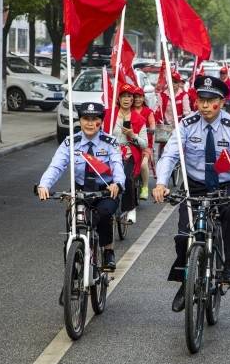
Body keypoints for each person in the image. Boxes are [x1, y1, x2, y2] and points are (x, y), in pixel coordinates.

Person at [153, 76, 230, 313]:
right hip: (195, 184)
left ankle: (228, 264)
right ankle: (185, 283)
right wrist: (160, 183)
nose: (206, 106)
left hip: (226, 182)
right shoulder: (187, 124)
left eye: (212, 101)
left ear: (222, 101)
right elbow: (170, 155)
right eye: (201, 100)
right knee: (183, 235)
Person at [37, 102, 125, 270]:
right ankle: (72, 271)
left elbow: (117, 165)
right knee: (73, 223)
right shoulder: (71, 142)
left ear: (101, 121)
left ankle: (108, 251)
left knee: (105, 214)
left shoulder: (110, 142)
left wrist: (117, 184)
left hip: (104, 192)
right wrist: (44, 185)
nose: (90, 123)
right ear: (80, 120)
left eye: (95, 119)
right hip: (80, 191)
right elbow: (57, 166)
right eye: (86, 119)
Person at [104, 83, 148, 224]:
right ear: (119, 98)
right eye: (123, 96)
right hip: (110, 152)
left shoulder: (139, 119)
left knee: (127, 178)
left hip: (129, 154)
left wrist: (133, 135)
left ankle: (130, 208)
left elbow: (144, 144)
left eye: (129, 96)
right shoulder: (110, 115)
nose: (127, 99)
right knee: (104, 178)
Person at [132, 86, 155, 200]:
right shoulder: (128, 111)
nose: (137, 100)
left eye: (139, 97)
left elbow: (153, 126)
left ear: (143, 98)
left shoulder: (148, 112)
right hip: (130, 144)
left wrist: (150, 129)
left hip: (145, 145)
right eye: (135, 97)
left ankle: (145, 187)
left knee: (143, 164)